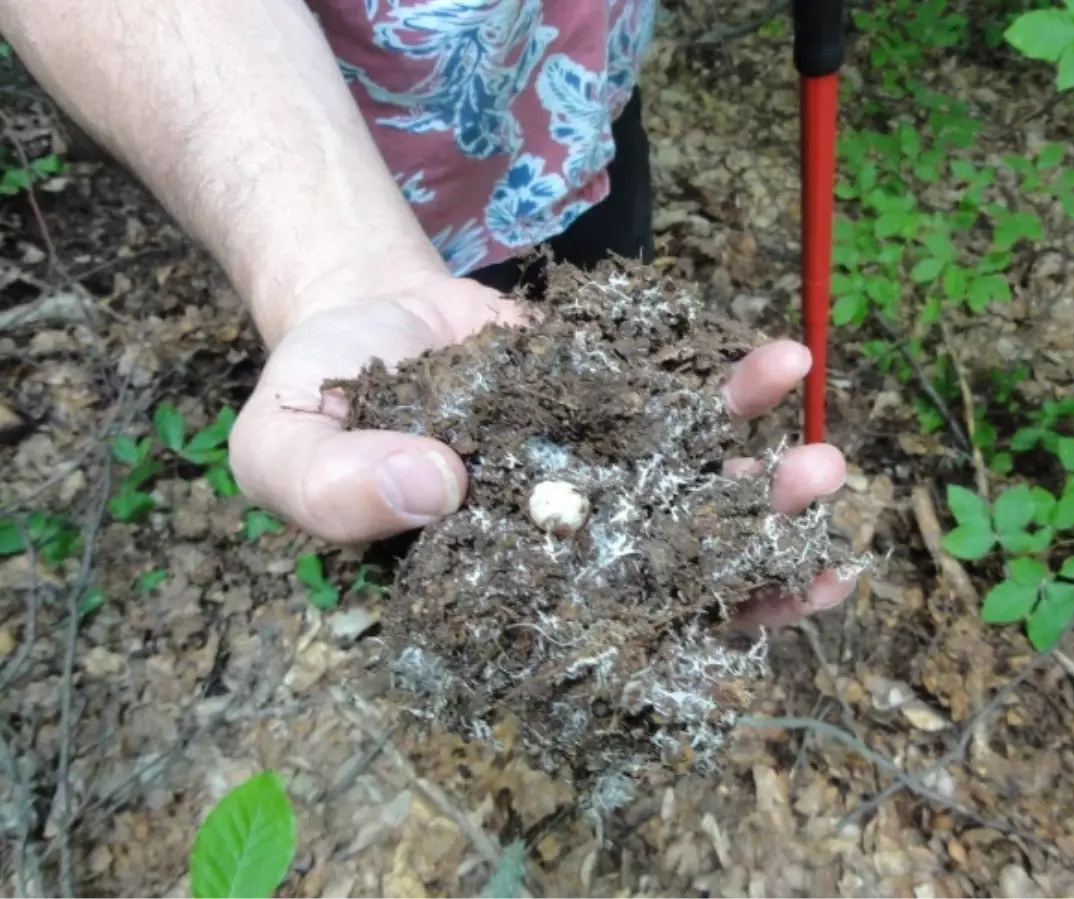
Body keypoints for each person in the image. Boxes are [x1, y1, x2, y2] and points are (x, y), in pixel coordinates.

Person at [1, 1, 855, 626]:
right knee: (438, 427)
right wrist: (339, 263)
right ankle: (454, 588)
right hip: (369, 171)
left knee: (601, 326)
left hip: (583, 108)